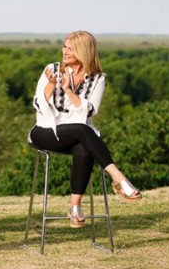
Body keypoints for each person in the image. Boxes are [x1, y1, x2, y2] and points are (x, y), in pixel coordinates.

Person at [29, 31, 142, 228]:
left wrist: (67, 90)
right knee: (83, 132)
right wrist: (52, 85)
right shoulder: (51, 69)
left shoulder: (98, 79)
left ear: (83, 51)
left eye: (70, 48)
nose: (64, 51)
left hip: (78, 134)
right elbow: (38, 105)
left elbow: (89, 111)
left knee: (84, 148)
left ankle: (75, 206)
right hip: (45, 131)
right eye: (64, 46)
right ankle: (118, 177)